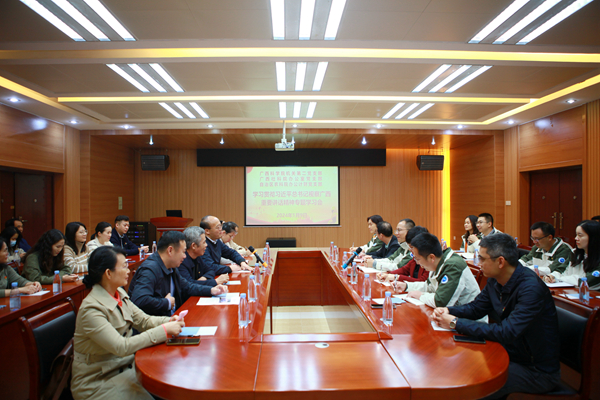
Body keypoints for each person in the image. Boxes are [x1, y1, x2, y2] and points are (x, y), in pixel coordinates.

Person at [432, 233, 561, 399]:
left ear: (500, 262)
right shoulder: (495, 279)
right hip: (511, 354)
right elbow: (476, 308)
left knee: (473, 383)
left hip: (536, 370)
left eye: (482, 258)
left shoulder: (531, 289)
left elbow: (507, 332)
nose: (479, 263)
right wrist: (449, 311)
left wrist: (454, 323)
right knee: (455, 366)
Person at [71, 246, 185, 400]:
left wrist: (170, 320)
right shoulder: (91, 310)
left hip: (127, 368)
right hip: (99, 380)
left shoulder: (119, 293)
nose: (129, 271)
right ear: (108, 273)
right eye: (124, 266)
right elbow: (121, 346)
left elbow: (144, 320)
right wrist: (164, 330)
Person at [128, 231, 228, 317]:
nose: (185, 256)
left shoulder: (171, 266)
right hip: (153, 328)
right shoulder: (150, 269)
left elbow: (187, 286)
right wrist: (166, 303)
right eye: (183, 252)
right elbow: (139, 300)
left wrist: (212, 290)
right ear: (170, 250)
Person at [393, 232, 480, 308]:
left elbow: (441, 302)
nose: (418, 263)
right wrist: (407, 286)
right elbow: (429, 286)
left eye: (418, 259)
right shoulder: (437, 262)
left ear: (431, 257)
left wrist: (420, 296)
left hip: (467, 321)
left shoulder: (453, 266)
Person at [545, 220, 600, 289]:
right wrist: (551, 276)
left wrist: (559, 279)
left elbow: (586, 281)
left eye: (580, 235)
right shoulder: (574, 253)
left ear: (593, 237)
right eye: (576, 235)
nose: (576, 238)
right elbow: (562, 270)